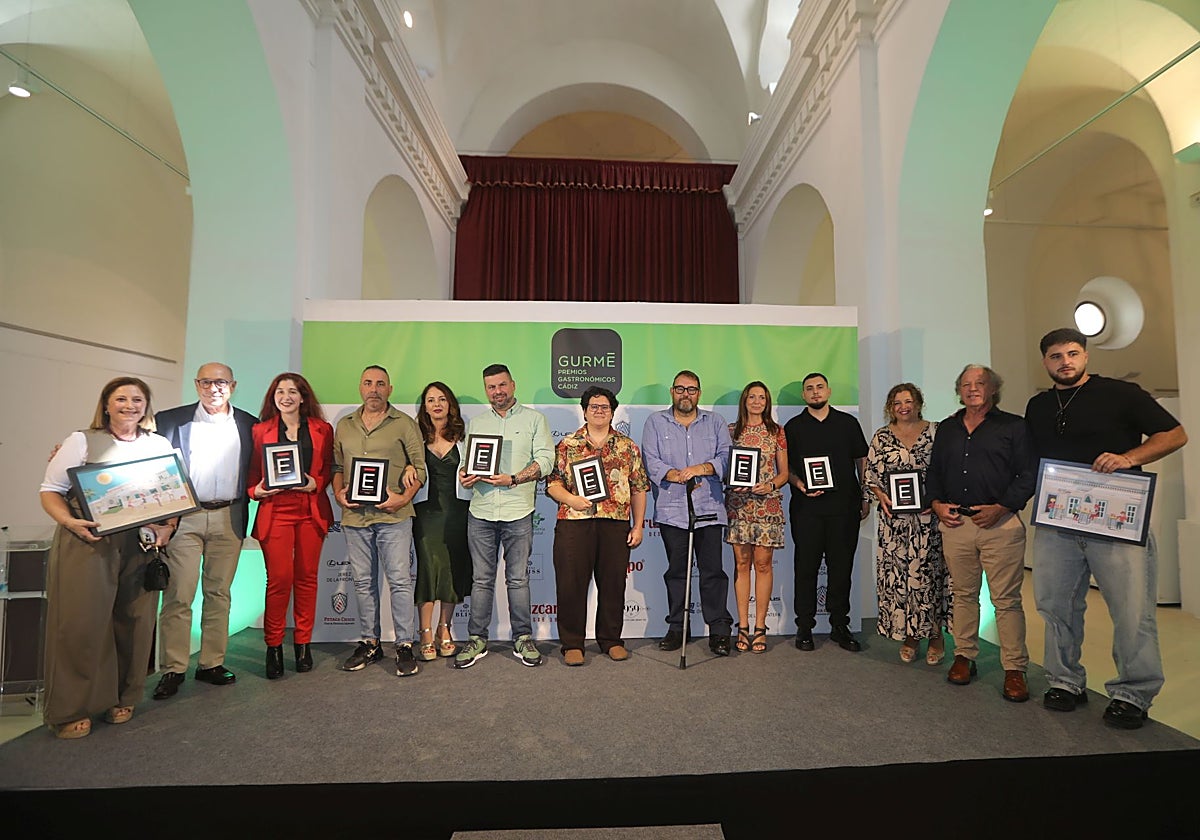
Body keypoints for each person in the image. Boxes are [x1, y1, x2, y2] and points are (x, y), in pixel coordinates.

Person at [1025, 328, 1187, 728]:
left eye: (1073, 353)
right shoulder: (1038, 405)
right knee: (1054, 605)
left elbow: (1175, 434)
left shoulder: (1121, 394)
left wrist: (1130, 457)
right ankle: (1065, 681)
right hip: (1058, 521)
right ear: (1045, 362)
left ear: (1085, 356)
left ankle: (1133, 693)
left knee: (1132, 610)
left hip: (1115, 519)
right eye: (1056, 356)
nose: (1065, 361)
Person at [39, 377, 177, 738]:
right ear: (106, 404)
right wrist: (69, 521)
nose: (129, 405)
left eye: (137, 399)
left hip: (142, 543)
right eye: (121, 399)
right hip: (88, 541)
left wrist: (169, 527)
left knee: (135, 620)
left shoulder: (159, 443)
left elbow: (173, 492)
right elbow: (50, 490)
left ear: (146, 406)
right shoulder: (81, 441)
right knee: (81, 624)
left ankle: (123, 697)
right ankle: (71, 708)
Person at [926, 365, 1036, 702]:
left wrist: (1002, 507)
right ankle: (964, 656)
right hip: (956, 523)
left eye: (980, 383)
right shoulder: (947, 428)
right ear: (958, 390)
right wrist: (936, 504)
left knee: (1006, 601)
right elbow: (935, 471)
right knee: (962, 594)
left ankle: (1015, 669)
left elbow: (1029, 474)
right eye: (966, 384)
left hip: (1000, 524)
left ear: (993, 388)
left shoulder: (1014, 426)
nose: (973, 389)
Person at [153, 362, 256, 699]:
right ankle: (174, 668)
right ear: (197, 384)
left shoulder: (249, 424)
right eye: (207, 382)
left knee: (219, 594)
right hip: (185, 517)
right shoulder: (170, 421)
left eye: (222, 382)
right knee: (179, 595)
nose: (214, 388)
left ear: (233, 385)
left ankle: (211, 662)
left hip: (229, 516)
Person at [455, 364, 554, 669]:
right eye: (490, 387)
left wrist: (513, 479)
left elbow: (546, 461)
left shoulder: (535, 420)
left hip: (518, 511)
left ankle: (522, 637)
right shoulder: (478, 423)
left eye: (501, 385)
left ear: (513, 384)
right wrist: (465, 476)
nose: (497, 392)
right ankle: (477, 638)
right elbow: (469, 463)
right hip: (481, 511)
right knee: (481, 580)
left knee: (518, 579)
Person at [332, 365, 427, 677]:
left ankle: (404, 645)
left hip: (394, 516)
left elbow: (420, 469)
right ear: (360, 387)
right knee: (362, 582)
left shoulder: (404, 424)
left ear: (390, 389)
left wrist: (402, 498)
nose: (374, 389)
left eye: (380, 384)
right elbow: (336, 467)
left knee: (399, 581)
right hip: (354, 516)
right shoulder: (344, 425)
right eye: (368, 383)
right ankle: (370, 643)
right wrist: (338, 495)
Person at [546, 386, 649, 665]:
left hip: (615, 524)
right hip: (574, 523)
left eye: (605, 406)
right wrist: (571, 499)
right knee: (571, 585)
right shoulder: (567, 445)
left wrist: (638, 525)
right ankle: (571, 644)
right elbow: (552, 484)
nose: (599, 411)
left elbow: (639, 488)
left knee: (613, 584)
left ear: (613, 411)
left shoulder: (628, 447)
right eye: (594, 406)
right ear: (584, 410)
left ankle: (611, 640)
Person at [247, 373, 334, 679]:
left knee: (307, 579)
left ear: (303, 397)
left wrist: (317, 483)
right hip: (276, 511)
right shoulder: (259, 431)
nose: (286, 396)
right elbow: (252, 474)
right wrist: (256, 491)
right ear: (273, 397)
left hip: (310, 511)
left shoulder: (322, 429)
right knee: (280, 580)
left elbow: (327, 468)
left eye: (293, 391)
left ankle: (302, 644)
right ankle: (273, 646)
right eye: (280, 392)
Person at [642, 370, 735, 656]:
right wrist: (674, 474)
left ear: (699, 393)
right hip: (673, 510)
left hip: (708, 507)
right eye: (680, 389)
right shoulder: (655, 422)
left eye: (691, 389)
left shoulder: (715, 422)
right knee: (677, 573)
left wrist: (699, 469)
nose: (686, 394)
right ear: (672, 391)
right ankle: (677, 628)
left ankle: (719, 630)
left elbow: (725, 457)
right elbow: (650, 459)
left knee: (713, 573)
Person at [864, 383, 950, 665]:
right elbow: (871, 477)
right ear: (890, 406)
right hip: (895, 524)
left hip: (929, 520)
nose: (904, 406)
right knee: (902, 581)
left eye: (909, 401)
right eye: (898, 402)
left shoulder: (937, 432)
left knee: (930, 577)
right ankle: (910, 636)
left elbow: (948, 472)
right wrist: (881, 496)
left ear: (918, 403)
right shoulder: (882, 436)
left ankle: (936, 636)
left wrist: (936, 498)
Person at [784, 373, 870, 653]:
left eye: (819, 387)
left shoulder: (848, 423)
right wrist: (799, 485)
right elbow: (787, 470)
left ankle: (839, 625)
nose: (815, 392)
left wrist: (865, 495)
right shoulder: (793, 427)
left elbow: (861, 459)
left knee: (841, 568)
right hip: (806, 509)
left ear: (829, 391)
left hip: (844, 508)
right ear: (803, 395)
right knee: (805, 568)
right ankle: (804, 626)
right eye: (809, 388)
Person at [725, 381, 788, 653]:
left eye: (762, 397)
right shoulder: (730, 431)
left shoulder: (776, 432)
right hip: (739, 505)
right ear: (744, 400)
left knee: (763, 565)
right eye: (752, 396)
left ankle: (760, 627)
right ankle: (742, 626)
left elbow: (784, 473)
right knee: (741, 564)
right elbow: (724, 468)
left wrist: (771, 485)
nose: (757, 401)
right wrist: (731, 482)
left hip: (767, 506)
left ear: (767, 402)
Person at [412, 381, 472, 661]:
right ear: (424, 407)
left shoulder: (466, 437)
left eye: (442, 399)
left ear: (450, 405)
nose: (437, 404)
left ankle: (443, 629)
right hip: (426, 512)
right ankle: (424, 631)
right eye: (431, 400)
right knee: (428, 567)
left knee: (451, 569)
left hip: (458, 512)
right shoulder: (414, 436)